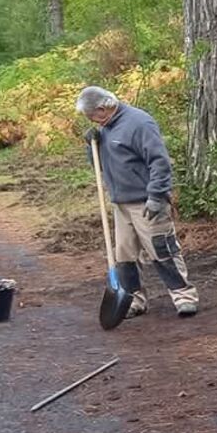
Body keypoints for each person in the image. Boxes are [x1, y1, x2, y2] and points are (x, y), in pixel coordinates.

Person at [75, 86, 199, 317]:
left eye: (92, 116)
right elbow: (98, 166)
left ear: (103, 108)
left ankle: (184, 296)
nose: (91, 121)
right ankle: (133, 300)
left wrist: (156, 196)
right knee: (124, 257)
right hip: (120, 204)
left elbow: (159, 162)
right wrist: (91, 146)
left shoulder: (139, 123)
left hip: (146, 202)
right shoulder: (104, 130)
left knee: (162, 250)